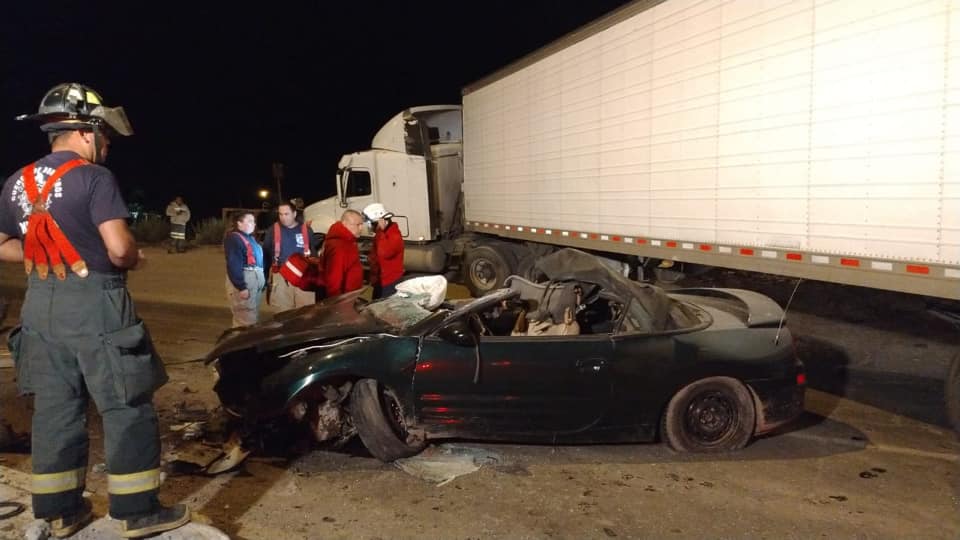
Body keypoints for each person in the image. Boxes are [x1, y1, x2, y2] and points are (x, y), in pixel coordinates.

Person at [0, 83, 189, 538]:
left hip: (40, 306)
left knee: (55, 407)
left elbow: (2, 245)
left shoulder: (16, 182)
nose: (106, 147)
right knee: (126, 404)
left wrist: (47, 253)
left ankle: (60, 511)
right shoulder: (94, 178)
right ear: (85, 132)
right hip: (95, 304)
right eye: (104, 138)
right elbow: (120, 248)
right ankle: (135, 510)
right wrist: (133, 257)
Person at [263, 202, 315, 310]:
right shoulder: (272, 230)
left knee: (306, 313)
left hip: (303, 276)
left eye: (286, 214)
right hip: (281, 276)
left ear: (294, 214)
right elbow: (266, 256)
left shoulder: (306, 230)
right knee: (283, 314)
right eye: (280, 214)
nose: (283, 217)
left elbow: (313, 254)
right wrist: (264, 278)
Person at [224, 211, 265, 326]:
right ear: (239, 223)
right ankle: (241, 343)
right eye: (250, 221)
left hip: (253, 283)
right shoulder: (234, 238)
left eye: (254, 221)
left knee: (251, 317)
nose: (254, 224)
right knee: (245, 321)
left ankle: (247, 342)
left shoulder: (250, 239)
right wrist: (241, 286)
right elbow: (233, 264)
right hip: (245, 282)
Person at [362, 202, 404, 298]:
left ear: (380, 221)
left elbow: (385, 253)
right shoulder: (382, 234)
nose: (370, 227)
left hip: (390, 283)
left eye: (371, 223)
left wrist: (381, 232)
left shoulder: (393, 235)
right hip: (380, 281)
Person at [322, 209, 364, 297]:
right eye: (357, 225)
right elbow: (334, 280)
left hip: (350, 295)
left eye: (362, 224)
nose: (361, 228)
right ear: (345, 224)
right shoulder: (339, 246)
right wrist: (336, 305)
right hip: (345, 299)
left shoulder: (348, 240)